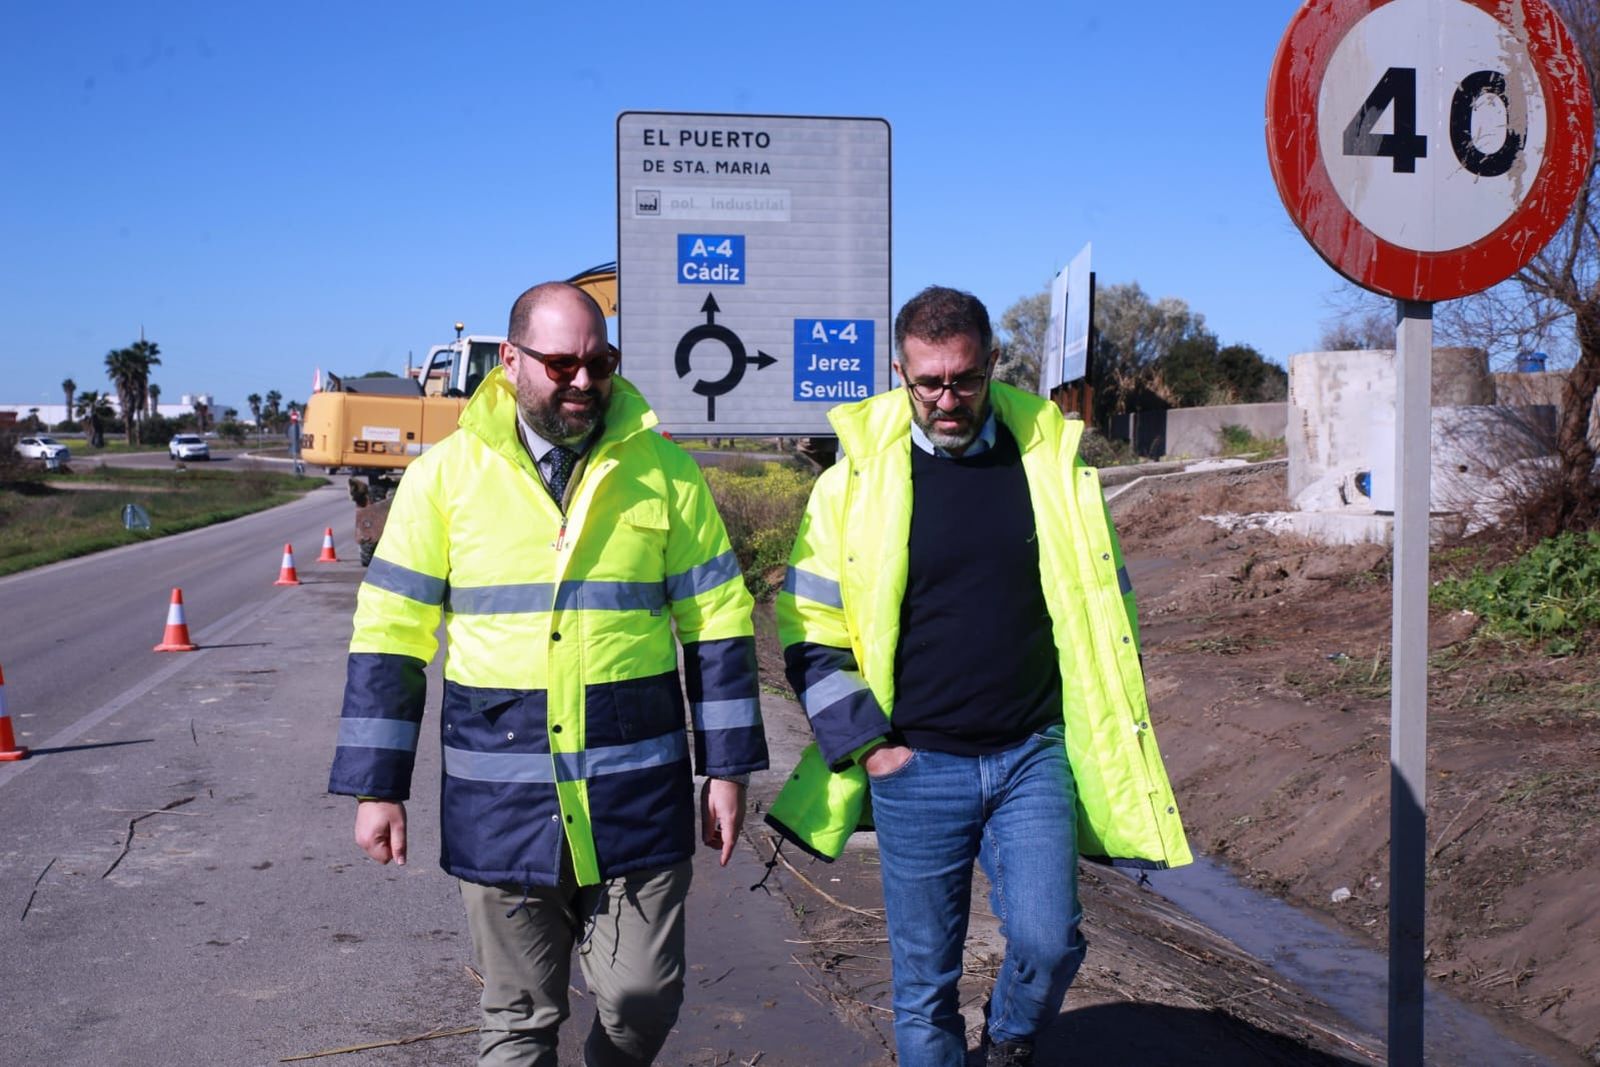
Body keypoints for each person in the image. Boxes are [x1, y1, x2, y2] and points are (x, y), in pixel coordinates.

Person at [329, 281, 767, 1066]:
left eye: (600, 363)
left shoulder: (664, 472)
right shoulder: (445, 478)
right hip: (503, 797)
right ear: (510, 360)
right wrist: (377, 784)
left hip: (636, 792)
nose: (582, 381)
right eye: (561, 362)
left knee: (641, 997)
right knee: (520, 1018)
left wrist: (727, 769)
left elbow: (718, 623)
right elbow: (391, 633)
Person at [766, 286, 1191, 1066]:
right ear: (899, 372)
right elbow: (808, 625)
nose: (946, 399)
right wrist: (871, 747)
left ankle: (1008, 1037)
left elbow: (1105, 605)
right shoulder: (852, 486)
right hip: (915, 762)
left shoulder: (1051, 469)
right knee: (924, 986)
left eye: (963, 378)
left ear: (994, 363)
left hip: (1033, 753)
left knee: (1050, 939)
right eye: (927, 382)